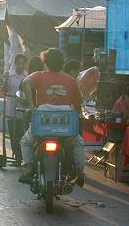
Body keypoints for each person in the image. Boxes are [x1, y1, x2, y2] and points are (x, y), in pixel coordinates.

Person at [20, 48, 85, 186]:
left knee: (25, 142)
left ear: (45, 62)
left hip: (42, 123)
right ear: (62, 63)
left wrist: (32, 106)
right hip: (65, 126)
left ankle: (29, 167)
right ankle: (79, 173)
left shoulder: (39, 75)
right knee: (78, 142)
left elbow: (26, 82)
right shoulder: (71, 80)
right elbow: (78, 105)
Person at [5, 53, 27, 162]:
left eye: (23, 64)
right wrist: (4, 79)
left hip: (23, 110)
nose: (21, 66)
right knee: (13, 134)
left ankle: (23, 156)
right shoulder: (9, 76)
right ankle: (17, 156)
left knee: (22, 134)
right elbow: (4, 90)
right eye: (19, 64)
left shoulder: (27, 77)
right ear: (15, 64)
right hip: (11, 108)